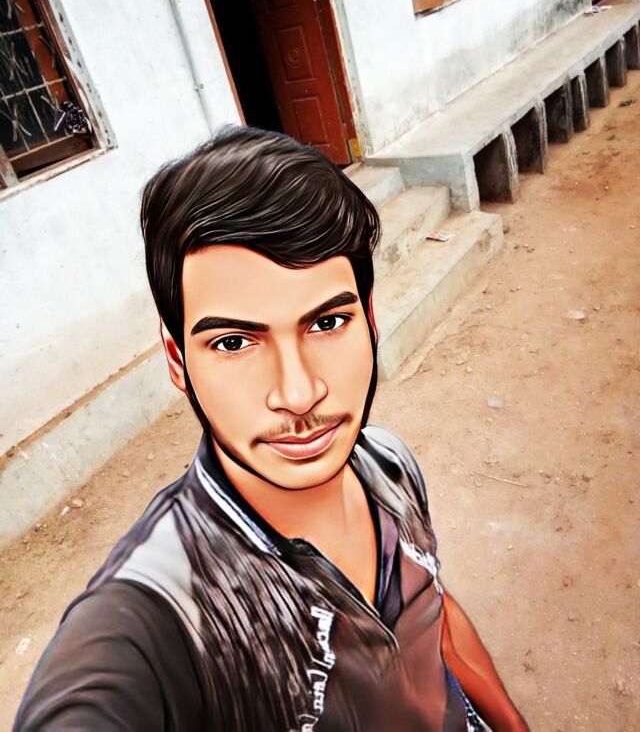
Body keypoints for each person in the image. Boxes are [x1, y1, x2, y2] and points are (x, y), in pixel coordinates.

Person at [13, 126, 529, 731]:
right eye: (234, 342)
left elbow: (435, 619)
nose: (298, 392)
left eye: (327, 323)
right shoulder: (159, 617)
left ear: (369, 321)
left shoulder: (388, 464)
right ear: (177, 361)